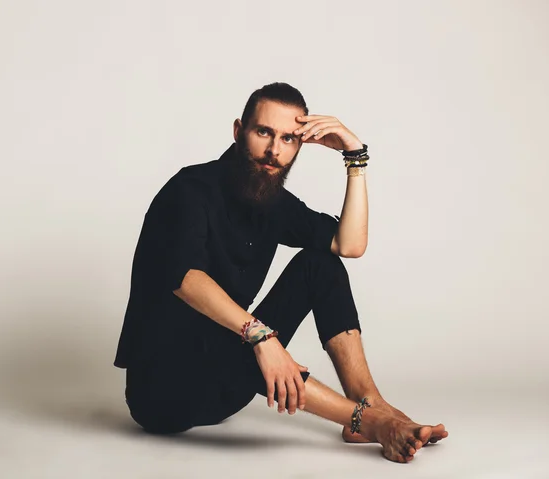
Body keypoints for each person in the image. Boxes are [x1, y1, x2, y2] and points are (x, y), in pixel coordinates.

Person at [113, 82, 448, 463]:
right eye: (264, 133)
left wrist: (355, 156)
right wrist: (262, 338)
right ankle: (370, 423)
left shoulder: (273, 203)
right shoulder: (189, 190)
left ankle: (370, 401)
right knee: (242, 337)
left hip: (229, 381)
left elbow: (349, 244)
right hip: (162, 394)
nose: (275, 150)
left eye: (288, 138)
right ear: (239, 131)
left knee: (321, 264)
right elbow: (185, 278)